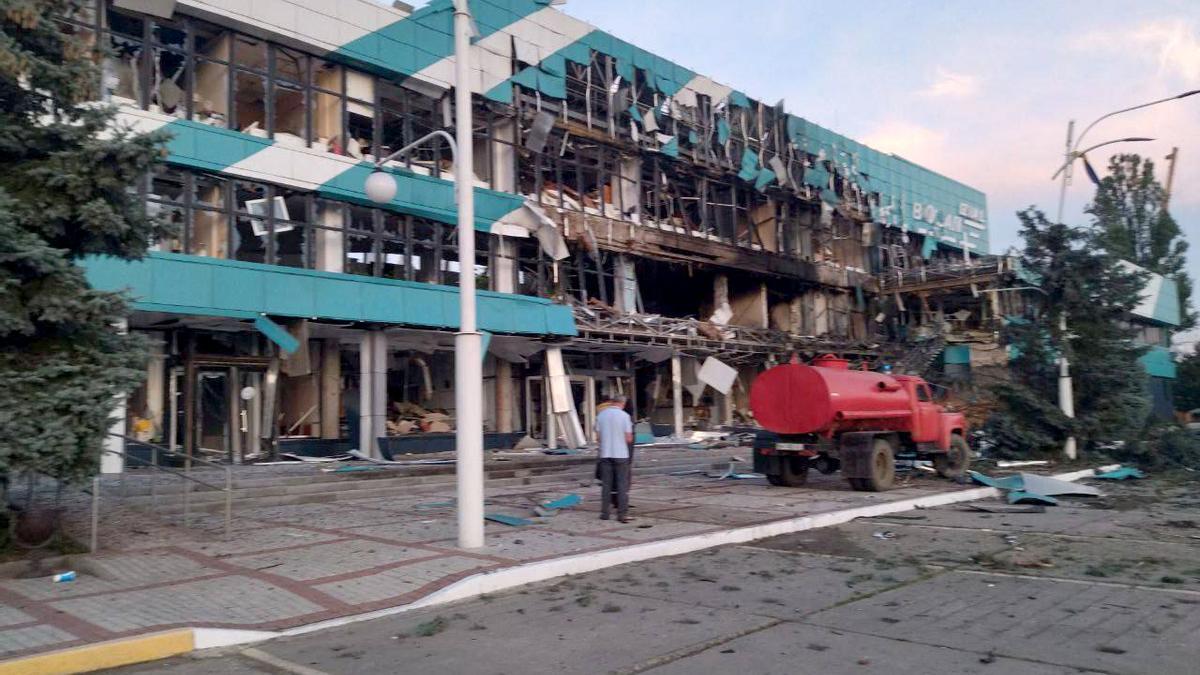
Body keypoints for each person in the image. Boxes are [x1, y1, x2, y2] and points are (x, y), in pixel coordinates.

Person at [595, 394, 634, 522]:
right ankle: (622, 514)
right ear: (623, 403)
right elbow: (628, 438)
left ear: (612, 402)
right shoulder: (624, 416)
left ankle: (604, 513)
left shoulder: (601, 415)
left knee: (606, 485)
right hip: (621, 454)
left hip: (605, 454)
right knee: (622, 485)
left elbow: (598, 438)